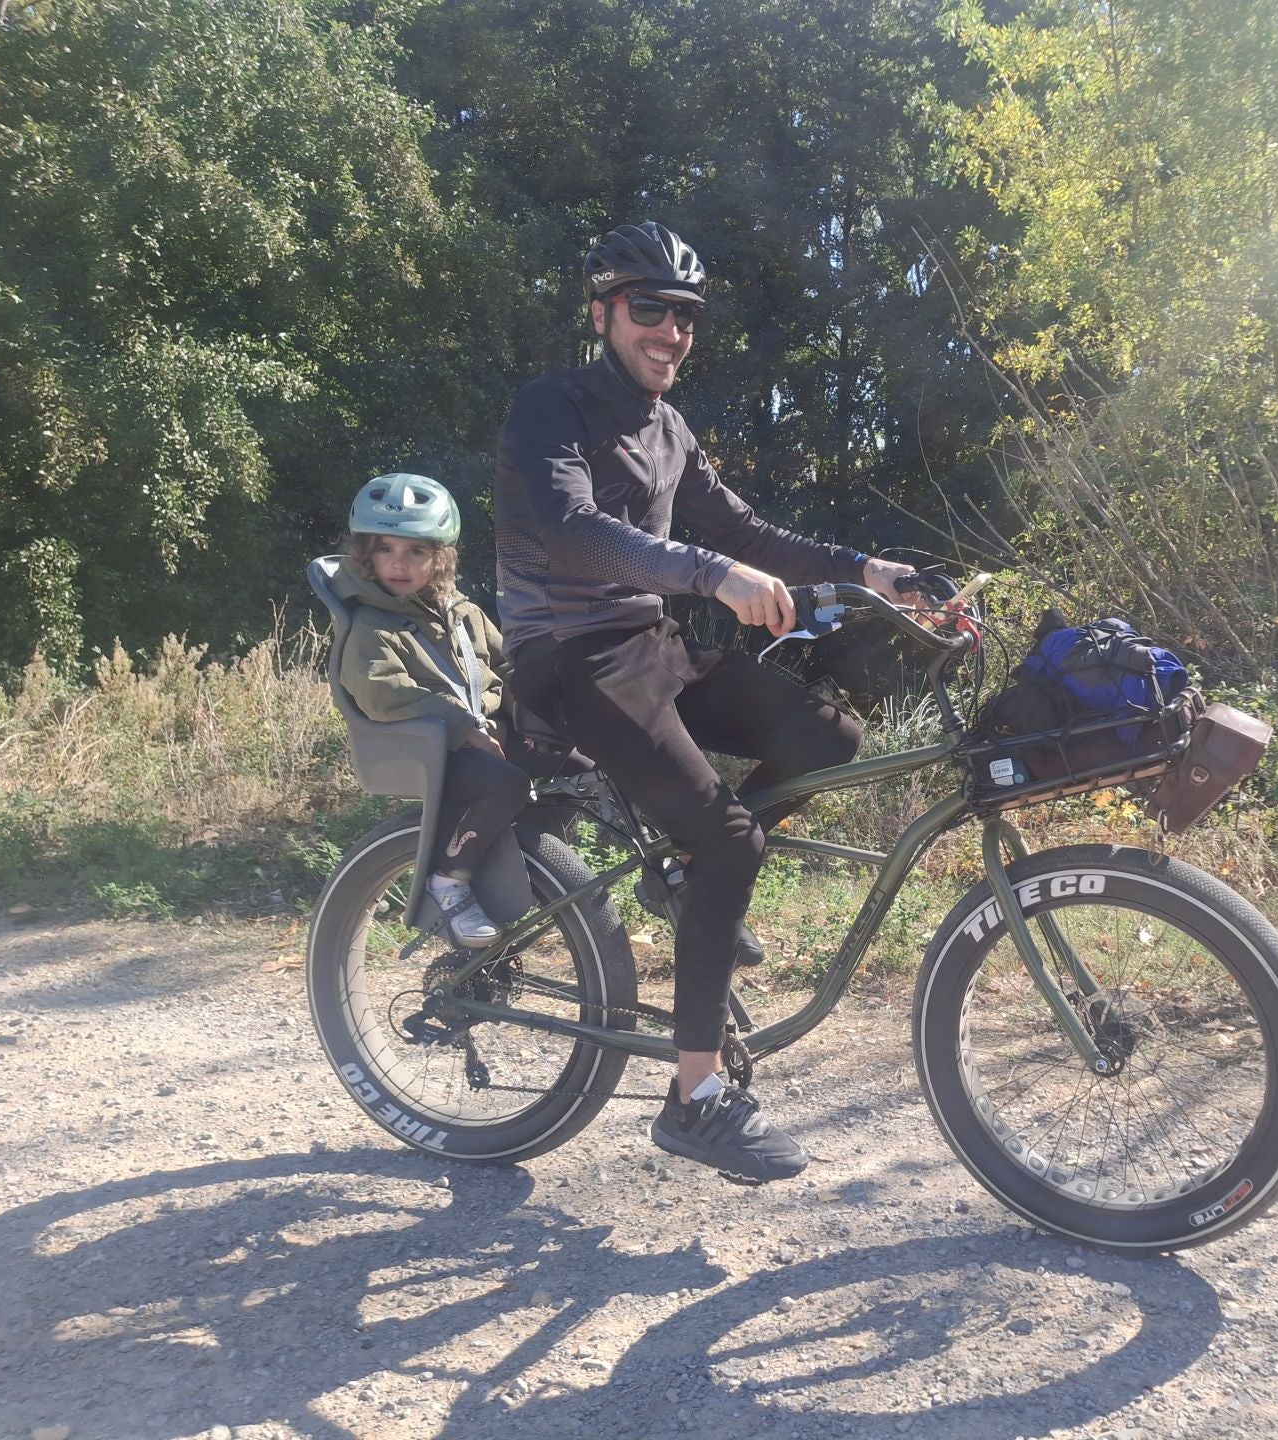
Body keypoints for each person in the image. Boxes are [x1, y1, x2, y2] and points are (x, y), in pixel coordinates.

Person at [495, 221, 916, 1183]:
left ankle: (684, 880)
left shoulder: (669, 428)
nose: (671, 331)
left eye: (685, 316)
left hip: (652, 644)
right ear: (604, 312)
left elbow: (744, 528)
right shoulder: (548, 407)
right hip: (568, 657)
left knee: (827, 733)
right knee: (735, 838)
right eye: (651, 310)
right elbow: (572, 532)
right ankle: (693, 1098)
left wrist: (874, 571)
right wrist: (709, 574)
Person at [335, 473, 528, 950]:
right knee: (506, 783)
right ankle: (449, 880)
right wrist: (465, 729)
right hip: (428, 747)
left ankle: (541, 867)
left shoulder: (460, 611)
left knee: (573, 752)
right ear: (366, 555)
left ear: (439, 558)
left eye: (415, 552)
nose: (399, 564)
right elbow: (384, 693)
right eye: (386, 550)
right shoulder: (371, 624)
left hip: (479, 734)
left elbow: (507, 660)